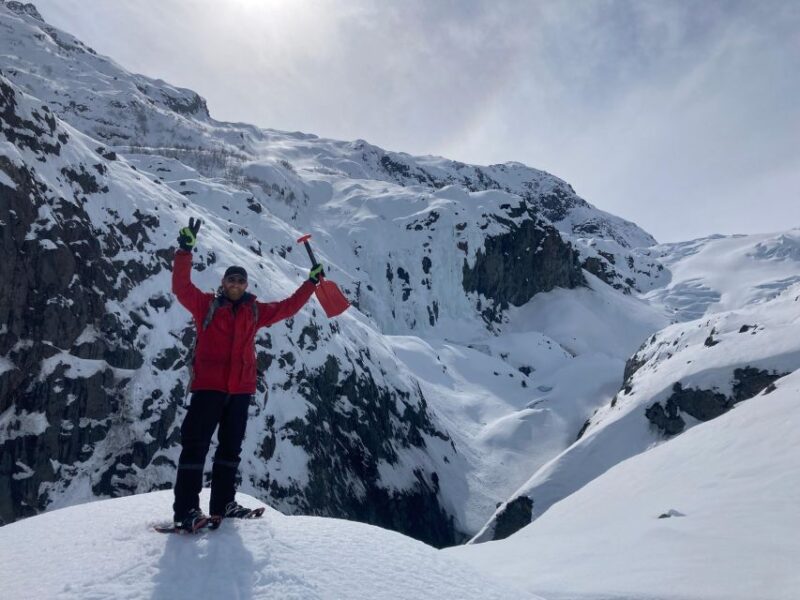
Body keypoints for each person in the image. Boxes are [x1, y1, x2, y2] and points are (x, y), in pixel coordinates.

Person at [170, 217, 323, 532]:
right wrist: (184, 251)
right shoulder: (206, 306)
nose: (236, 285)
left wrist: (311, 284)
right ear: (223, 283)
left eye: (241, 281)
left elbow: (288, 307)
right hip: (209, 388)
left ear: (246, 285)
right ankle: (186, 510)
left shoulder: (255, 311)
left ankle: (223, 504)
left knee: (230, 451)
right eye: (232, 280)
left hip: (240, 391)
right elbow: (181, 287)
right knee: (195, 447)